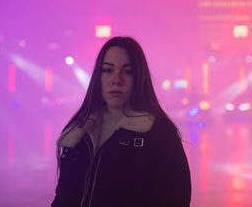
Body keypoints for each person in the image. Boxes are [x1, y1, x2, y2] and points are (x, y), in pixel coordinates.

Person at [51, 36, 191, 207]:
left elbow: (177, 200)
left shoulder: (159, 133)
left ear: (139, 78)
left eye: (127, 71)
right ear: (98, 77)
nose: (117, 79)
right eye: (108, 70)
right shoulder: (77, 133)